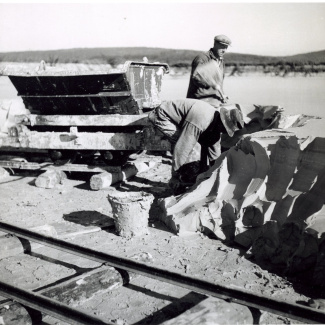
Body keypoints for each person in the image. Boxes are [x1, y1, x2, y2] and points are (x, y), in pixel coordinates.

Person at [148, 99, 244, 194]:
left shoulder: (215, 123)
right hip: (163, 115)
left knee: (208, 141)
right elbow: (182, 148)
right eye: (225, 129)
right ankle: (178, 181)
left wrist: (216, 174)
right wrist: (175, 175)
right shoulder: (202, 120)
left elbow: (215, 156)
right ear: (222, 123)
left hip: (183, 121)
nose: (223, 132)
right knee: (190, 149)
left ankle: (198, 175)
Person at [187, 34, 231, 109]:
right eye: (222, 47)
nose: (224, 50)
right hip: (198, 103)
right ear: (215, 44)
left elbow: (219, 83)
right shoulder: (202, 58)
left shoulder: (221, 61)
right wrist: (212, 84)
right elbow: (197, 78)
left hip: (214, 103)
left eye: (226, 47)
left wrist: (222, 95)